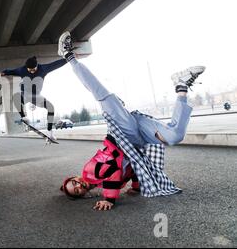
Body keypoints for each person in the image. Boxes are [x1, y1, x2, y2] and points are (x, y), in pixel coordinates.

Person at [57, 31, 205, 210]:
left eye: (75, 183)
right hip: (139, 140)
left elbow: (114, 169)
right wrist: (137, 186)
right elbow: (133, 165)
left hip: (124, 134)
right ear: (83, 195)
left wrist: (109, 199)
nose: (79, 186)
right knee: (174, 136)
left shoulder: (89, 172)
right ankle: (181, 85)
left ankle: (68, 55)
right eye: (78, 191)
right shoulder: (101, 184)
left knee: (101, 93)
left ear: (76, 177)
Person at [0, 56, 68, 142]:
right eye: (29, 70)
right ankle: (24, 117)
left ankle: (50, 132)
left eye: (33, 69)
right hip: (26, 94)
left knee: (51, 108)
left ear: (37, 66)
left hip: (36, 96)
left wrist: (67, 59)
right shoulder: (22, 70)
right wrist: (3, 73)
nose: (31, 71)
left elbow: (55, 64)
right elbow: (12, 71)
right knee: (16, 97)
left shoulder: (43, 69)